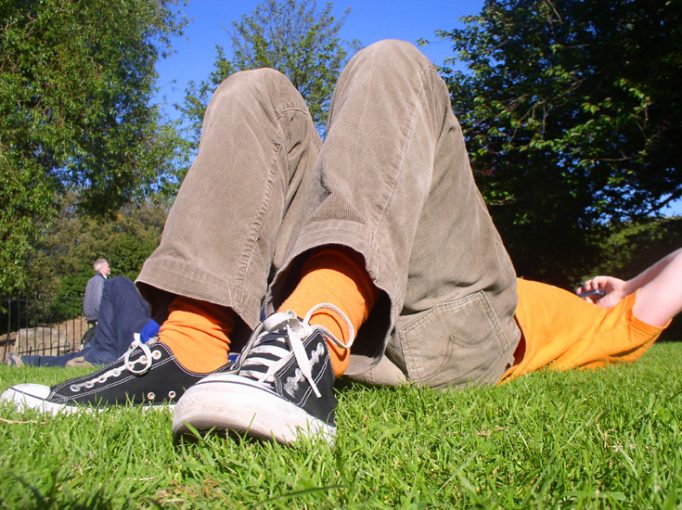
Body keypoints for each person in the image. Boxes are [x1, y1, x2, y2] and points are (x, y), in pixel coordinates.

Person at [0, 41, 677, 445]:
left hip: (451, 329)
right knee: (255, 92)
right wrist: (626, 279)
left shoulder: (615, 325)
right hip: (377, 302)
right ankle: (189, 346)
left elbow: (667, 284)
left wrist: (631, 293)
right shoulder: (615, 293)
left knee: (393, 63)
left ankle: (313, 328)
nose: (599, 286)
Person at [8, 276, 158, 368]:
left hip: (142, 340)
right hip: (141, 336)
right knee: (88, 352)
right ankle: (26, 361)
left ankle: (100, 356)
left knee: (118, 283)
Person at [81, 258, 111, 345]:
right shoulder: (101, 281)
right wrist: (104, 315)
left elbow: (86, 298)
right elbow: (99, 299)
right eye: (108, 266)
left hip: (91, 316)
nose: (109, 268)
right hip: (98, 316)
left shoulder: (91, 281)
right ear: (103, 268)